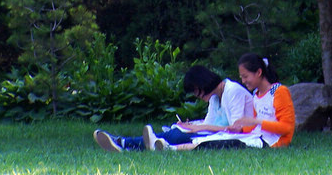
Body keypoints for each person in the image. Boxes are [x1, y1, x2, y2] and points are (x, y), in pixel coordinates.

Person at [93, 64, 253, 152]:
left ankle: (126, 143)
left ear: (203, 84)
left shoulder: (233, 91)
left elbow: (236, 128)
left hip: (238, 136)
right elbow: (210, 121)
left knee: (177, 135)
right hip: (218, 134)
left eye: (196, 91)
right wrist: (194, 125)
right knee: (177, 131)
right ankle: (126, 144)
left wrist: (200, 127)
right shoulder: (215, 97)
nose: (197, 96)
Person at [166, 52, 295, 151]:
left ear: (259, 72)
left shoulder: (279, 91)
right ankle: (167, 145)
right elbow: (255, 125)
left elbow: (286, 128)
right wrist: (240, 128)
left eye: (245, 76)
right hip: (257, 136)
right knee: (220, 138)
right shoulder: (256, 94)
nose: (243, 81)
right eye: (241, 77)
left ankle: (170, 147)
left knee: (224, 143)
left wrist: (254, 122)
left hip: (272, 142)